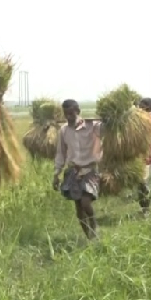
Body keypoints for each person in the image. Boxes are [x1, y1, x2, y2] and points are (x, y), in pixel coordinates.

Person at [53, 99, 102, 240]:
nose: (68, 117)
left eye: (71, 113)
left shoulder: (92, 126)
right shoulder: (63, 130)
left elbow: (106, 129)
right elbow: (60, 153)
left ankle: (94, 225)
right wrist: (56, 174)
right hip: (73, 171)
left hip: (89, 170)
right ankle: (89, 237)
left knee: (85, 202)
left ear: (78, 111)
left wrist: (112, 119)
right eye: (66, 113)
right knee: (79, 209)